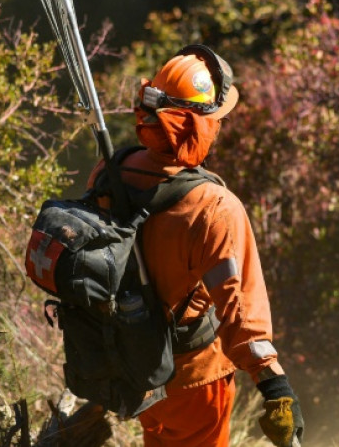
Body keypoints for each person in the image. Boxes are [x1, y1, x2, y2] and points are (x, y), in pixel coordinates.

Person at [86, 45, 304, 447]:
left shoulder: (108, 172)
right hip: (193, 377)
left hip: (133, 366)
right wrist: (274, 385)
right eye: (214, 119)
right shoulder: (215, 207)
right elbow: (238, 306)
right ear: (195, 126)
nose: (218, 127)